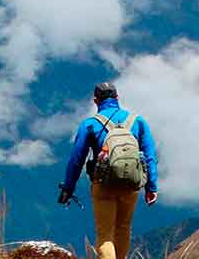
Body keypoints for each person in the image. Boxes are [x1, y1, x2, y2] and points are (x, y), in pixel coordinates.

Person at [58, 82, 159, 259]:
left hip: (103, 184)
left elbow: (76, 160)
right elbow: (149, 156)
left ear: (96, 100)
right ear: (117, 98)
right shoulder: (138, 121)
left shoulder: (90, 124)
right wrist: (151, 187)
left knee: (105, 234)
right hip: (131, 185)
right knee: (123, 228)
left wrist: (68, 188)